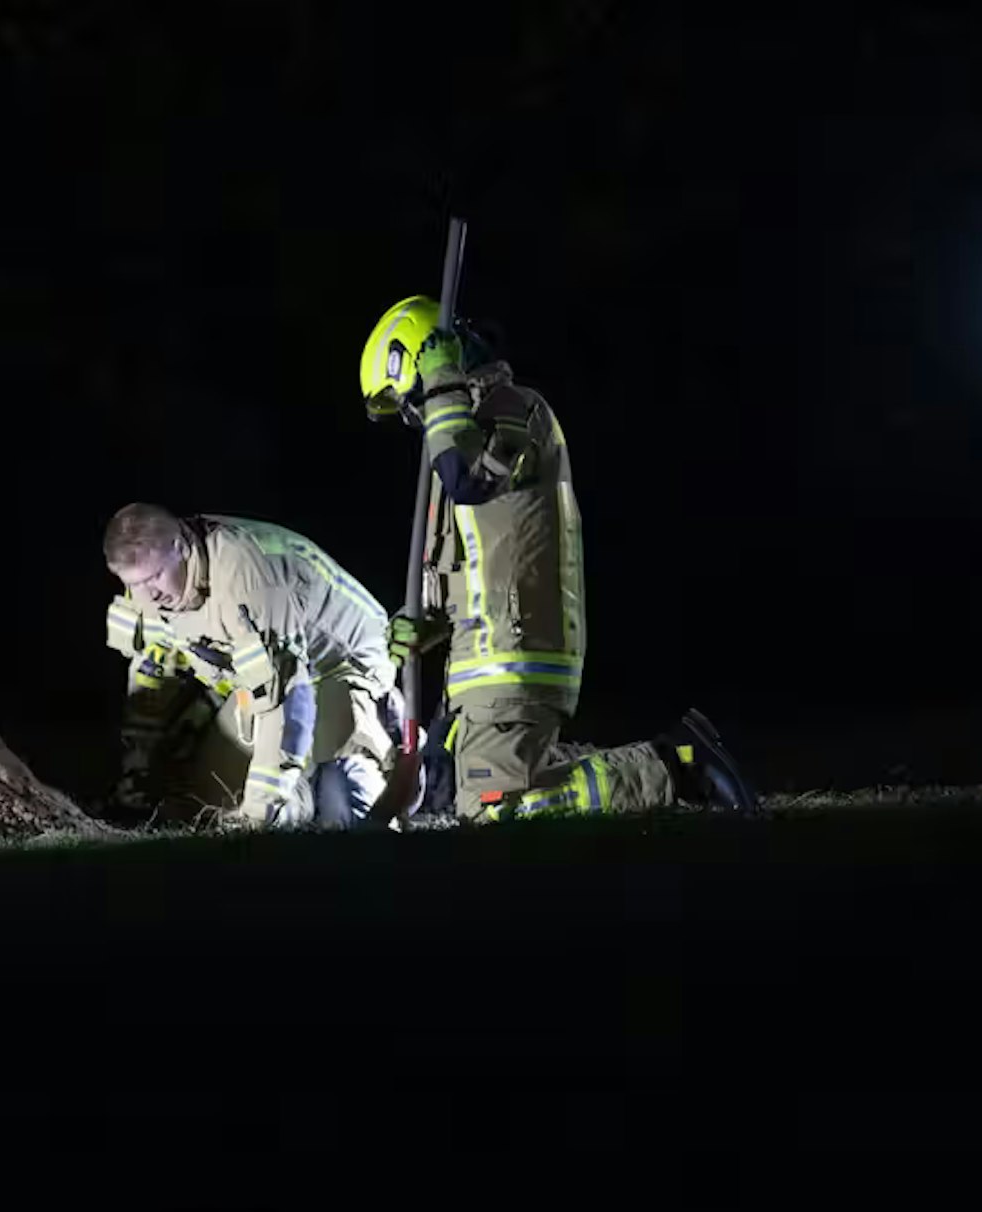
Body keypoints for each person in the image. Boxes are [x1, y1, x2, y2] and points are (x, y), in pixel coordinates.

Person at [357, 296, 758, 821]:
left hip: (516, 648)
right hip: (484, 656)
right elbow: (471, 560)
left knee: (493, 810)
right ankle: (663, 760)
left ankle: (675, 765)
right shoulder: (459, 436)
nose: (416, 416)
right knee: (468, 789)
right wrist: (427, 622)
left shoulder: (515, 409)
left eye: (414, 400)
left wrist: (441, 382)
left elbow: (470, 479)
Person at [103, 504, 401, 827]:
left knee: (343, 812)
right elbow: (151, 674)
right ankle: (301, 788)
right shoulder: (149, 580)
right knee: (213, 803)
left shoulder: (246, 579)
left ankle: (381, 736)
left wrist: (261, 809)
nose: (148, 595)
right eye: (134, 583)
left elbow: (284, 697)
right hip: (264, 678)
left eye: (155, 577)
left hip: (341, 668)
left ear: (180, 547)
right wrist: (137, 769)